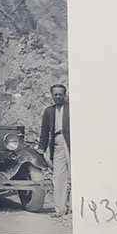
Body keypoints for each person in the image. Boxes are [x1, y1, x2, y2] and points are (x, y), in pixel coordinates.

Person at [37, 84, 71, 216]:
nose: (57, 96)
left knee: (75, 173)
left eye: (60, 94)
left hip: (71, 142)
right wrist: (41, 148)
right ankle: (60, 209)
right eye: (55, 94)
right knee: (59, 176)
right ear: (52, 95)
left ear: (65, 95)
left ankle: (75, 207)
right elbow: (44, 132)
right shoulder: (49, 111)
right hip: (57, 143)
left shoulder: (71, 108)